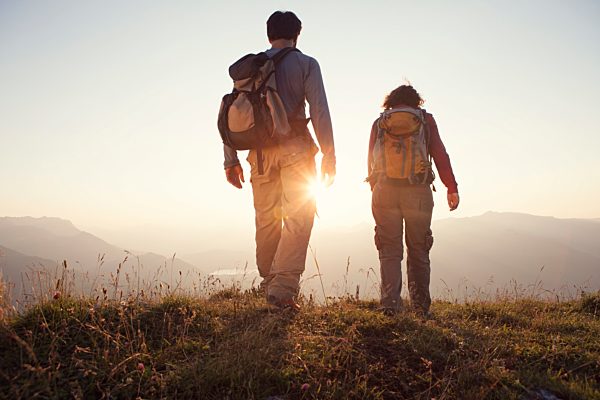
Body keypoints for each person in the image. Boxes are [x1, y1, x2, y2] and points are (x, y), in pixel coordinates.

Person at [223, 11, 335, 311]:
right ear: (297, 34)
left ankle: (268, 280)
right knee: (299, 216)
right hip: (295, 148)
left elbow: (233, 113)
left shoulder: (251, 68)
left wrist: (230, 160)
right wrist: (329, 155)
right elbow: (320, 110)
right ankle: (282, 290)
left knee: (267, 217)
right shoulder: (306, 64)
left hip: (258, 155)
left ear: (268, 34)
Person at [367, 85, 459, 316]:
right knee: (418, 249)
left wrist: (375, 188)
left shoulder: (380, 123)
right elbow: (439, 153)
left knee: (389, 250)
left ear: (391, 101)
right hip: (417, 191)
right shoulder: (425, 120)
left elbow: (370, 159)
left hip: (384, 191)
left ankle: (390, 305)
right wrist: (451, 187)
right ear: (416, 102)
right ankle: (420, 307)